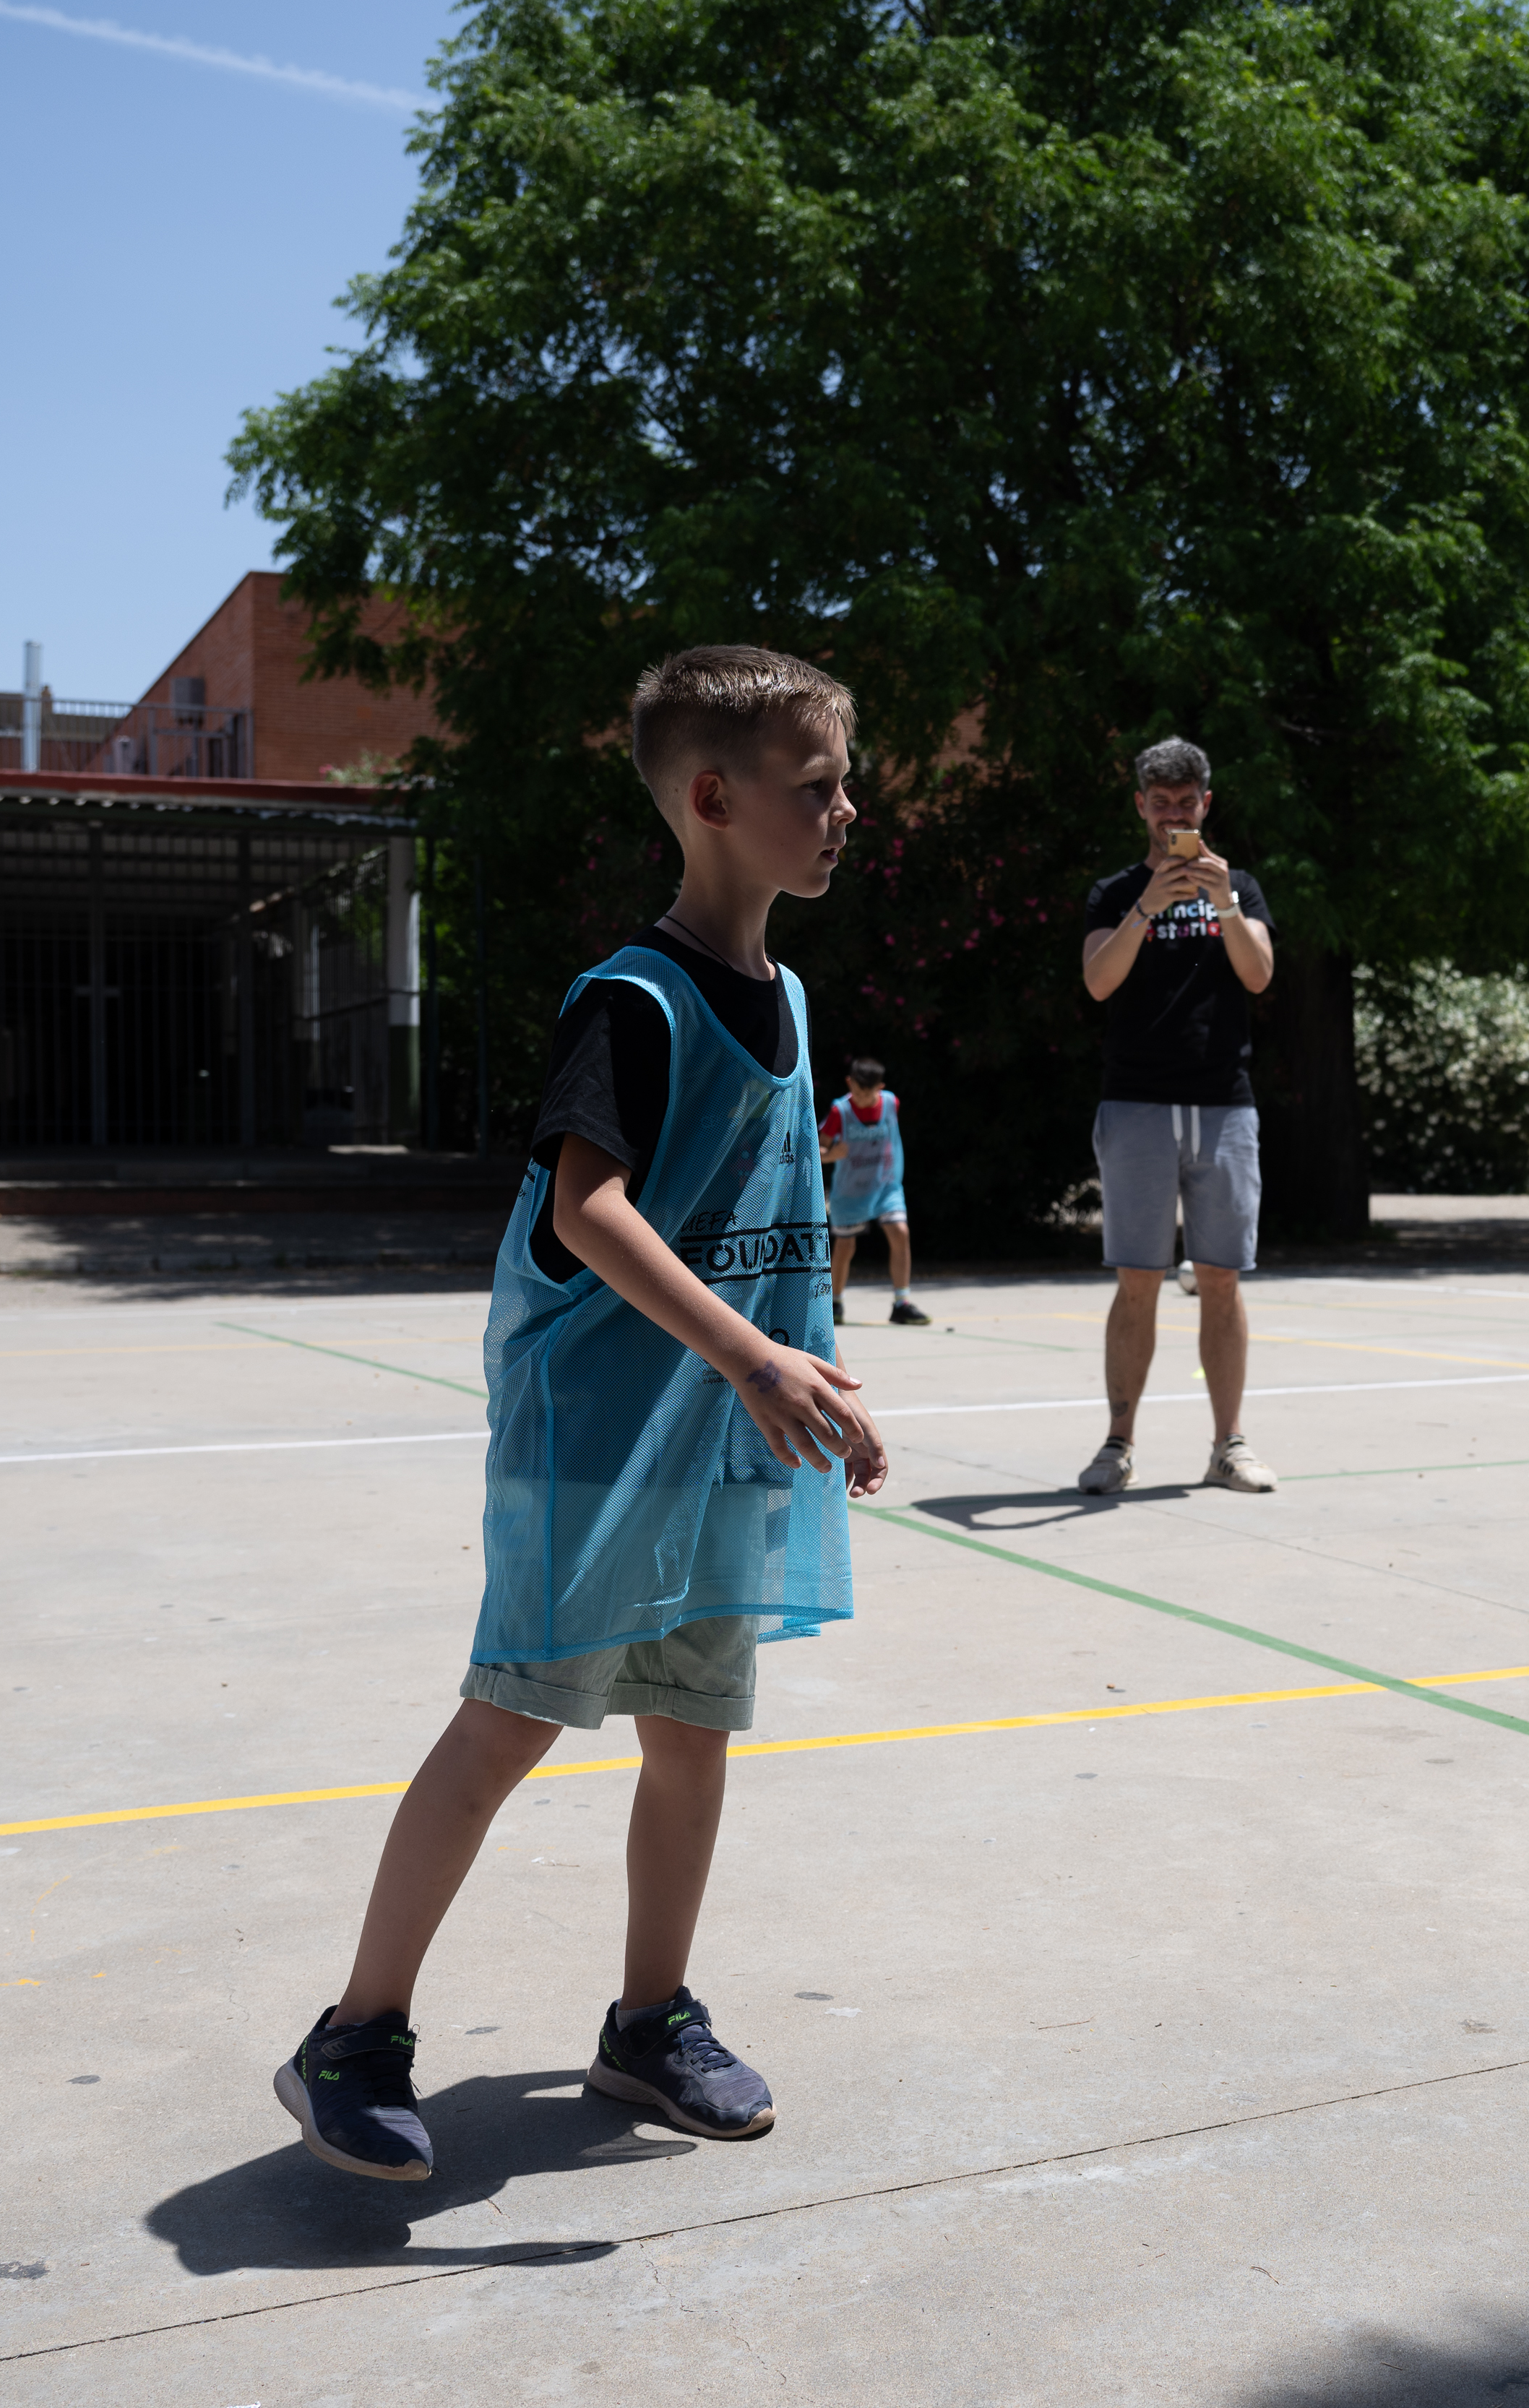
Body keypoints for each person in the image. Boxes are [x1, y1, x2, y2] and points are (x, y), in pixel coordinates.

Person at [276, 645, 889, 2185]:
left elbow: (768, 1214)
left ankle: (649, 2019)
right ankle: (352, 2034)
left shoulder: (795, 996)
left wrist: (809, 1379)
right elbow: (593, 1206)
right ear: (710, 798)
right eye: (816, 787)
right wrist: (757, 1356)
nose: (846, 810)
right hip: (594, 1446)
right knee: (507, 1725)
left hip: (717, 1450)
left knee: (692, 1736)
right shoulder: (633, 1000)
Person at [1076, 736, 1278, 1495]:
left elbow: (1257, 973)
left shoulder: (1241, 889)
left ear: (1205, 805)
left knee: (1222, 1279)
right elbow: (1097, 983)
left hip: (1223, 1104)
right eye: (1159, 804)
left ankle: (1229, 1445)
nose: (1172, 817)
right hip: (1135, 1103)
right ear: (1140, 807)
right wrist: (1143, 908)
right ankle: (1117, 1444)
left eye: (1185, 803)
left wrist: (1220, 900)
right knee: (1137, 1279)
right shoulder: (1113, 892)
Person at [820, 1056, 926, 1325]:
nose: (862, 1098)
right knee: (845, 1246)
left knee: (900, 1232)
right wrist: (833, 1155)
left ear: (880, 1088)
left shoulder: (892, 1103)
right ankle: (835, 1304)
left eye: (868, 1093)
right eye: (857, 1091)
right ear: (849, 1083)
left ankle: (901, 1302)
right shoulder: (839, 1112)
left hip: (886, 1186)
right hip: (851, 1190)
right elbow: (819, 1150)